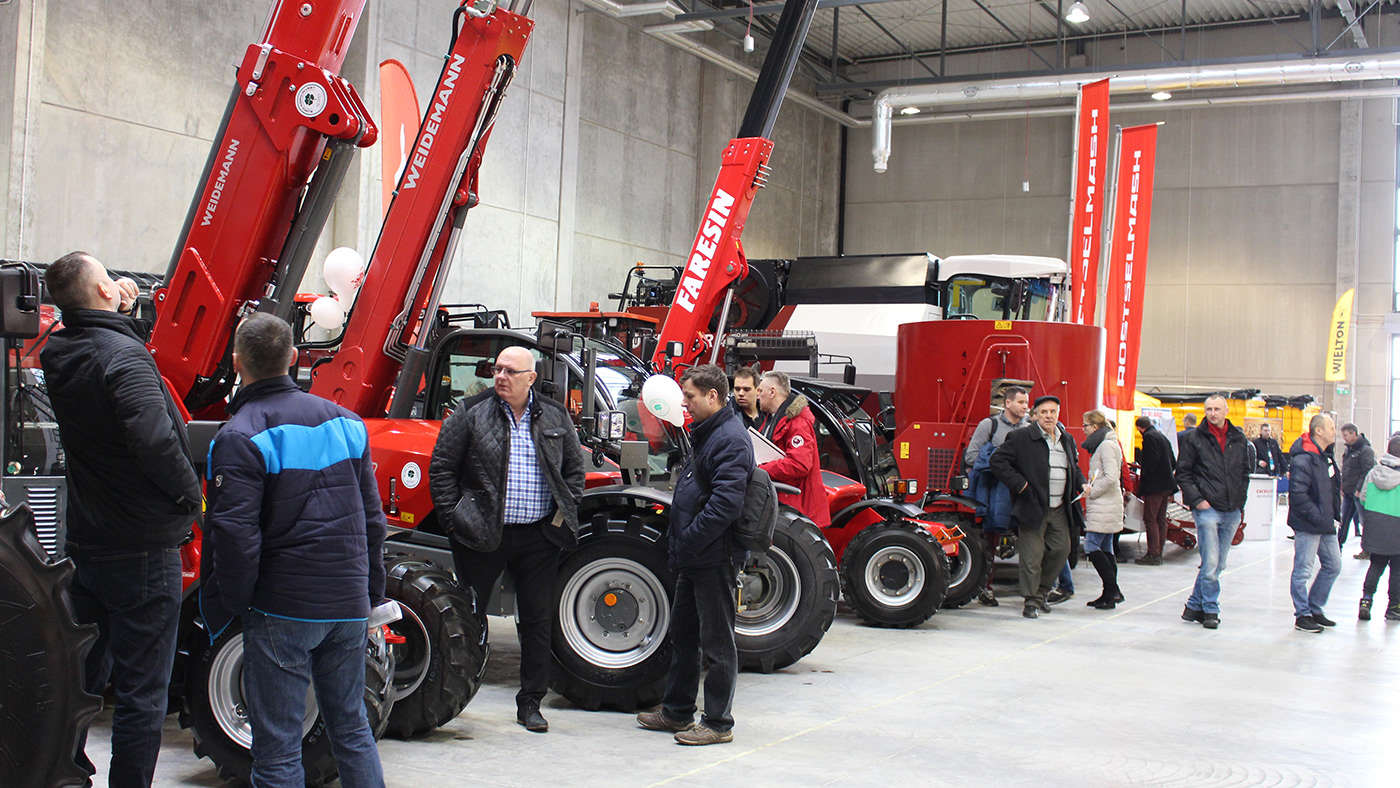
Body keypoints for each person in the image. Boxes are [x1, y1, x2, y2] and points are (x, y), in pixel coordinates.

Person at [199, 314, 387, 786]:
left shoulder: (240, 435)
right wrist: (370, 593)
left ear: (238, 363)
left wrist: (235, 603)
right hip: (347, 606)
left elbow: (234, 535)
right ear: (295, 359)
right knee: (352, 729)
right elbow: (372, 521)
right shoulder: (347, 424)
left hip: (282, 610)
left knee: (279, 746)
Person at [40, 251, 203, 786]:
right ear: (105, 293)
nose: (117, 282)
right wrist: (190, 498)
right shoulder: (123, 358)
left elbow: (103, 353)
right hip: (141, 548)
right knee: (142, 695)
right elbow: (154, 440)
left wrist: (118, 312)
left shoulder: (62, 352)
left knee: (81, 677)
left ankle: (64, 774)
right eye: (109, 278)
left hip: (88, 542)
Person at [428, 346, 584, 733]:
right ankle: (455, 695)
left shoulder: (554, 414)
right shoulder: (470, 412)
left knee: (537, 620)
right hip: (481, 536)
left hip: (538, 538)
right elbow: (442, 469)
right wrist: (455, 520)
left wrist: (559, 521)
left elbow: (573, 474)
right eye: (497, 369)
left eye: (511, 371)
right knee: (468, 618)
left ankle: (530, 702)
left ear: (531, 378)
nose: (501, 376)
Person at [636, 365, 752, 745]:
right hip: (694, 555)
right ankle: (677, 711)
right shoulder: (708, 434)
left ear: (713, 397)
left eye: (690, 397)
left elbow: (725, 505)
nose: (683, 404)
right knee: (684, 636)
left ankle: (718, 723)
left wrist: (690, 540)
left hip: (712, 557)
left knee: (718, 642)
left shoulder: (730, 439)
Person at [989, 395, 1089, 619]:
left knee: (1062, 550)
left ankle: (1042, 592)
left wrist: (1081, 482)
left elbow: (1073, 466)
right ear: (1035, 415)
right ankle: (1031, 601)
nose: (1049, 416)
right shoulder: (1021, 437)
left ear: (1058, 414)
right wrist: (1021, 486)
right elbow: (997, 461)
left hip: (1060, 508)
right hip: (1033, 507)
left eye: (1053, 412)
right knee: (1032, 558)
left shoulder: (1067, 439)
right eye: (1044, 412)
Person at [1176, 394, 1253, 630]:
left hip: (1231, 510)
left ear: (1226, 411)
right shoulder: (1193, 438)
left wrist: (1240, 502)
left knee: (1218, 564)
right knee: (1210, 562)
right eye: (1208, 409)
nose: (1212, 413)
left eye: (1217, 409)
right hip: (1207, 509)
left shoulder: (1239, 439)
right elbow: (1183, 473)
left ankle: (1192, 606)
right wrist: (1197, 500)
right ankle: (1210, 608)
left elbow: (1244, 473)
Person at [965, 386, 1030, 606]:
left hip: (1021, 493)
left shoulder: (1030, 428)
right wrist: (1001, 465)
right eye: (1021, 402)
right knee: (988, 543)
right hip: (993, 494)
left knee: (1032, 541)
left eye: (1026, 403)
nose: (1025, 407)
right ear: (1007, 403)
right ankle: (985, 588)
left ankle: (1034, 592)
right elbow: (972, 456)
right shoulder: (989, 425)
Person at [1287, 415, 1341, 634]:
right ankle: (1302, 615)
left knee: (1333, 565)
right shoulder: (1304, 459)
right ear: (1318, 431)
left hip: (1326, 524)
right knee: (1303, 570)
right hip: (1309, 524)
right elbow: (1298, 495)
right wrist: (1318, 517)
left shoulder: (1325, 456)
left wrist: (1334, 516)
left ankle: (1315, 607)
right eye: (1331, 428)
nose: (1334, 431)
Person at [755, 370, 830, 528]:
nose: (757, 396)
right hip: (787, 504)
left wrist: (760, 469)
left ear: (772, 392)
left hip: (796, 508)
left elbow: (799, 464)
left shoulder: (798, 422)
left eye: (760, 391)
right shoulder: (773, 419)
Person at [1080, 411, 1125, 609]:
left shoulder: (1106, 445)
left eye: (1086, 426)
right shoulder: (1107, 443)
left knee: (1091, 546)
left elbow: (1111, 476)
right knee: (1106, 548)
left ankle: (1113, 590)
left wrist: (1092, 492)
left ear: (1095, 427)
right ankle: (1109, 594)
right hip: (1107, 503)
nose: (1083, 430)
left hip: (1104, 503)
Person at [1357, 434, 1400, 621]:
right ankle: (1394, 607)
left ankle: (1366, 600)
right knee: (1397, 569)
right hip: (1397, 527)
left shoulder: (1374, 472)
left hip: (1375, 525)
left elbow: (1363, 497)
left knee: (1376, 564)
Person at [1134, 415, 1177, 566]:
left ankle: (1153, 553)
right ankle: (1159, 551)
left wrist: (1146, 478)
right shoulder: (1162, 437)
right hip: (1167, 485)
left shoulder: (1149, 437)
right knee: (1161, 519)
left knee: (1150, 518)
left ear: (1139, 428)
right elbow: (1173, 461)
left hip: (1155, 486)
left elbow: (1151, 462)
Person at [1339, 424, 1375, 552]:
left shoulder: (1366, 451)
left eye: (1346, 435)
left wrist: (1359, 489)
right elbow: (1346, 469)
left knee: (1364, 521)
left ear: (1354, 433)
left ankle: (1367, 550)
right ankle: (1338, 545)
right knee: (1344, 520)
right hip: (1349, 492)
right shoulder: (1349, 449)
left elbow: (1367, 471)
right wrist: (1342, 486)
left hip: (1359, 494)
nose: (1344, 439)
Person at [730, 366, 764, 430]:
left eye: (746, 389)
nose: (741, 393)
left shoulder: (767, 413)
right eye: (737, 389)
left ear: (758, 391)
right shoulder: (728, 414)